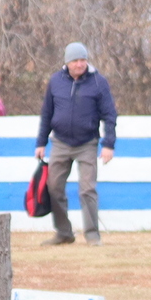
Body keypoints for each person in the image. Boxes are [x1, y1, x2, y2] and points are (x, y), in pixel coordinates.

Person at [34, 42, 117, 247]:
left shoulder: (99, 82)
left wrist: (109, 144)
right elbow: (47, 114)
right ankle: (64, 233)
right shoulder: (55, 81)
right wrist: (41, 142)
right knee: (53, 187)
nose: (80, 64)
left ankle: (92, 235)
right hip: (60, 143)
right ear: (67, 62)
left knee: (87, 189)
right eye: (75, 60)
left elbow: (110, 115)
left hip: (87, 143)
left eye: (83, 60)